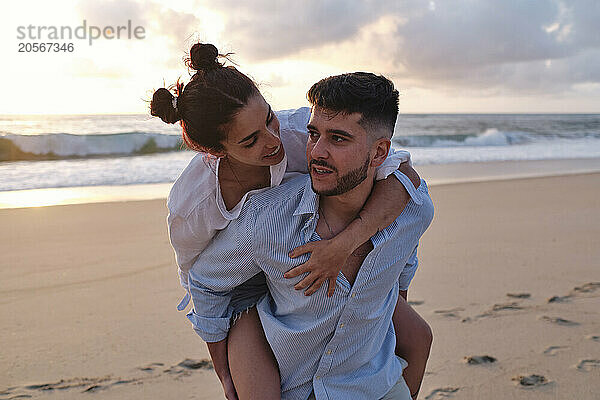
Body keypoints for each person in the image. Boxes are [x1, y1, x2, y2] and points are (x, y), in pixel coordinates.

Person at [151, 43, 432, 399]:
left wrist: (344, 249)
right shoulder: (193, 205)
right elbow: (199, 279)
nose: (273, 140)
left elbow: (401, 174)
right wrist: (225, 373)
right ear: (217, 151)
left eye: (269, 118)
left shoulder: (301, 130)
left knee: (418, 337)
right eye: (251, 140)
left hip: (312, 243)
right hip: (242, 281)